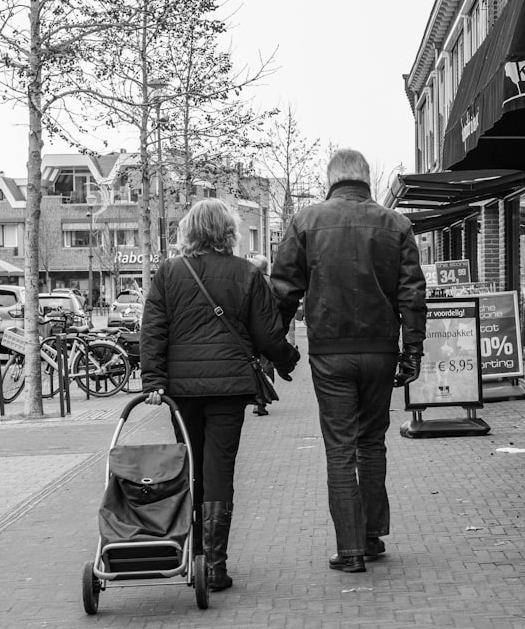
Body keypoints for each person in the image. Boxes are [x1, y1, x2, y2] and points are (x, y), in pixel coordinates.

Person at [270, 148, 427, 573]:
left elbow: (283, 288)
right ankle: (372, 534)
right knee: (372, 442)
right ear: (365, 178)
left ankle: (351, 548)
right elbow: (412, 293)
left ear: (331, 179)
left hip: (330, 351)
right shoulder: (396, 223)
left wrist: (273, 347)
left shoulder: (307, 222)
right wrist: (412, 351)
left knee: (339, 446)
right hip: (380, 350)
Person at [141, 199, 300, 592]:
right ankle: (214, 566)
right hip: (228, 388)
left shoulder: (168, 273)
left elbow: (153, 330)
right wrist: (288, 359)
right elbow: (267, 334)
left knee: (190, 467)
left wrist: (153, 381)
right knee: (219, 470)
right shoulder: (246, 274)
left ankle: (189, 556)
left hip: (181, 391)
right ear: (228, 231)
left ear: (189, 231)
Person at [247, 254, 275, 416]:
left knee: (253, 364)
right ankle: (262, 399)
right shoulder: (271, 284)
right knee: (266, 364)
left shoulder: (249, 283)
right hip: (267, 331)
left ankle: (257, 398)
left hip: (250, 332)